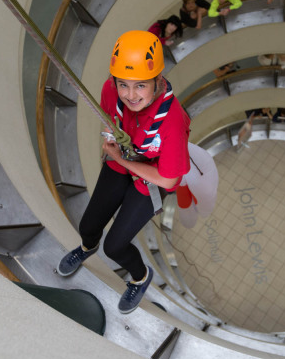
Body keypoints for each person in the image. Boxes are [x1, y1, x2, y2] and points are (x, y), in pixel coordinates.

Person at [57, 30, 191, 314]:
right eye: (123, 85)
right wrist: (112, 142)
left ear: (157, 80)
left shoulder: (172, 122)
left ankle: (140, 277)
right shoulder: (110, 91)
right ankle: (87, 247)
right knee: (88, 227)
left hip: (150, 180)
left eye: (140, 85)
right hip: (123, 160)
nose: (130, 95)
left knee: (115, 247)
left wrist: (121, 158)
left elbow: (168, 179)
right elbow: (112, 119)